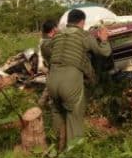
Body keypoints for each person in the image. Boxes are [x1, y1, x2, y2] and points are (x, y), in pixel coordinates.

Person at [47, 9, 111, 150]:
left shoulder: (57, 35)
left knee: (57, 112)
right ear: (82, 22)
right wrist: (104, 39)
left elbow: (48, 49)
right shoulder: (84, 36)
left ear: (68, 21)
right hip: (70, 81)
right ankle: (74, 156)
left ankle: (56, 148)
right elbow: (104, 52)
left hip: (52, 79)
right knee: (74, 117)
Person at [37, 20, 57, 107]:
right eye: (56, 27)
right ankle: (51, 104)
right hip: (51, 67)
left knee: (49, 85)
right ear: (53, 29)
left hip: (48, 66)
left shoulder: (45, 40)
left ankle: (41, 103)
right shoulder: (48, 43)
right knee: (52, 85)